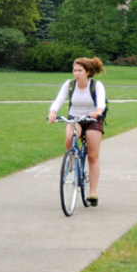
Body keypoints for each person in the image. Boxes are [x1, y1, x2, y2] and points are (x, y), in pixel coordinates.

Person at [48, 57, 107, 206]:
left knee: (93, 157)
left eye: (80, 70)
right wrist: (52, 112)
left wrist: (98, 112)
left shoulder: (96, 85)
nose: (76, 73)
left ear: (87, 72)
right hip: (75, 118)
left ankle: (92, 192)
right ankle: (72, 160)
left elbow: (100, 103)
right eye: (75, 70)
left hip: (93, 119)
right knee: (69, 137)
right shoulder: (69, 85)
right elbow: (58, 100)